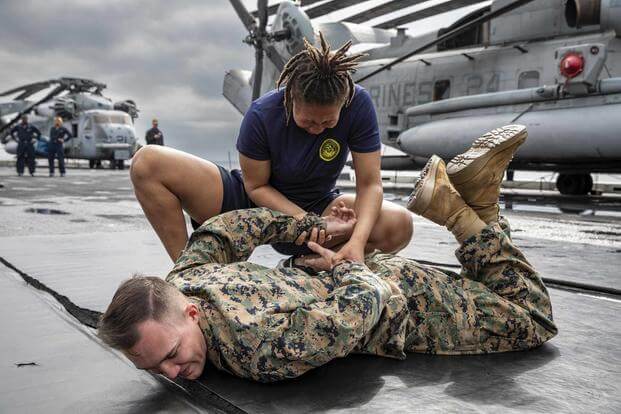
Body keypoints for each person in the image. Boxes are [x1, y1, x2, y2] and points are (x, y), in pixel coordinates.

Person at [98, 125, 558, 382]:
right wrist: (310, 231)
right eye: (154, 366)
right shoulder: (182, 279)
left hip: (397, 301)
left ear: (193, 313)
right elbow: (229, 229)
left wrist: (346, 261)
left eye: (172, 354)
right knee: (490, 291)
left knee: (533, 318)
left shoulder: (255, 350)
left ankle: (460, 214)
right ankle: (481, 205)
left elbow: (357, 311)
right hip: (333, 268)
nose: (172, 372)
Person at [129, 33, 413, 263]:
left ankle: (319, 264)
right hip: (251, 201)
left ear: (343, 103)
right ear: (291, 98)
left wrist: (356, 242)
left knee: (398, 224)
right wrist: (305, 221)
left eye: (327, 122)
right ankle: (187, 270)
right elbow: (256, 187)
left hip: (318, 204)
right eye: (308, 121)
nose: (317, 128)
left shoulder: (358, 104)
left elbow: (370, 183)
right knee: (147, 162)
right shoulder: (262, 113)